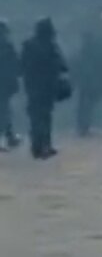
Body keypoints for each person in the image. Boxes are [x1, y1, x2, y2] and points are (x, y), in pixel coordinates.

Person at [21, 18, 70, 160]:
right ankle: (44, 145)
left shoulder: (28, 45)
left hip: (33, 86)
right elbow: (63, 65)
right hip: (47, 86)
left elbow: (22, 66)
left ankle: (38, 146)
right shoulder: (51, 46)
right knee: (45, 116)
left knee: (36, 116)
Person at [0, 21, 21, 151]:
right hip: (4, 84)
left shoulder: (8, 47)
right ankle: (9, 137)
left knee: (5, 111)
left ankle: (9, 137)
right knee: (5, 111)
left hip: (4, 84)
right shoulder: (8, 47)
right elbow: (17, 66)